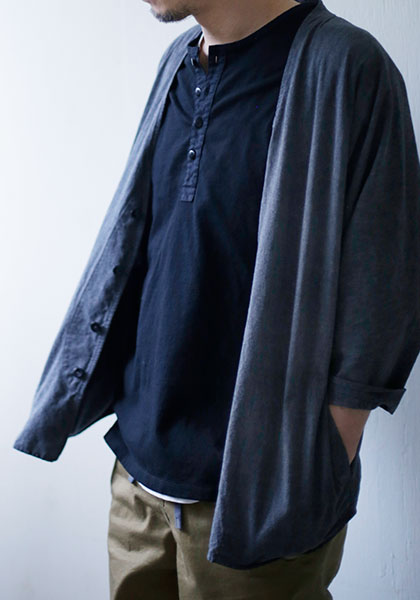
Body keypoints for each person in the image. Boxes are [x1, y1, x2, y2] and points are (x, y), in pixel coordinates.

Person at [13, 1, 420, 598]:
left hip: (258, 504)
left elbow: (384, 288)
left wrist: (323, 457)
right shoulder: (177, 64)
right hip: (137, 484)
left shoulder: (348, 67)